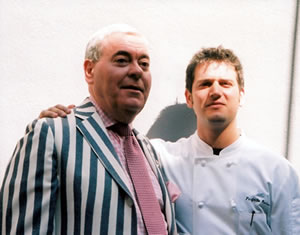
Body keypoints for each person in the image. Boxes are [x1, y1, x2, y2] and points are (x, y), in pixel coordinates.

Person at [39, 46, 300, 234]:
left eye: (226, 84)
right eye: (205, 84)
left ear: (241, 95)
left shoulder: (277, 171)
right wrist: (63, 123)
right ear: (189, 97)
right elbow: (105, 146)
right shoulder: (158, 156)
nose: (216, 92)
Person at [0, 24, 178, 235]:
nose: (137, 71)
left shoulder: (148, 150)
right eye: (122, 60)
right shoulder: (52, 134)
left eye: (144, 64)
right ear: (89, 70)